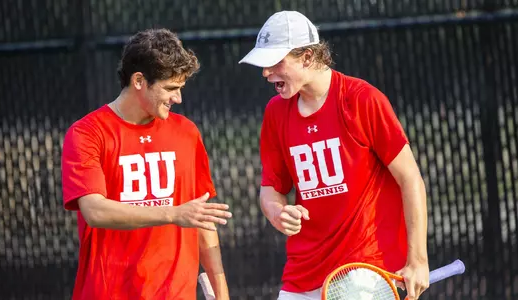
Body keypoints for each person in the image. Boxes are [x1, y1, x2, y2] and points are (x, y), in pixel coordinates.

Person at [239, 11, 429, 300]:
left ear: (306, 57)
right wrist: (278, 212)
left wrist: (418, 261)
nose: (266, 73)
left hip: (365, 269)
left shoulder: (362, 99)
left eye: (275, 62)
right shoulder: (275, 113)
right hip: (303, 271)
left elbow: (410, 179)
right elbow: (270, 191)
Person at [61, 28, 232, 300]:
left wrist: (222, 294)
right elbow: (95, 210)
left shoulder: (186, 132)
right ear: (139, 80)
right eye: (170, 88)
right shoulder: (87, 133)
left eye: (181, 88)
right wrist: (172, 213)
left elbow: (201, 219)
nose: (178, 99)